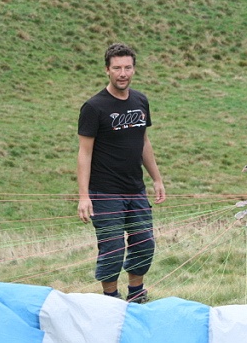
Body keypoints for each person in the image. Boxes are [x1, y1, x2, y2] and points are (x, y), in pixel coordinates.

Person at [77, 43, 166, 303]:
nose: (123, 73)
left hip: (135, 189)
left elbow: (143, 141)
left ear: (134, 69)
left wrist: (156, 179)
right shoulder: (94, 107)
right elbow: (84, 153)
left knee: (144, 243)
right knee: (113, 248)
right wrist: (84, 196)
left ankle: (136, 294)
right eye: (117, 68)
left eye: (127, 67)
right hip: (105, 192)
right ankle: (111, 299)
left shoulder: (140, 101)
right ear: (107, 70)